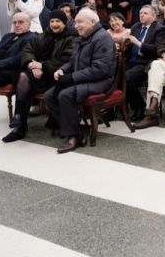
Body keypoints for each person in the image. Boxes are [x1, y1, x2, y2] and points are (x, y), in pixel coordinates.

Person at [44, 9, 115, 154]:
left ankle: (73, 136)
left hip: (101, 81)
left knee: (65, 95)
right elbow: (72, 61)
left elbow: (100, 70)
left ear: (92, 22)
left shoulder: (103, 38)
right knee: (49, 96)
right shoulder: (83, 37)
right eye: (75, 22)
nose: (75, 26)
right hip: (84, 78)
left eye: (79, 22)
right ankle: (77, 128)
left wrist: (71, 78)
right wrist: (62, 70)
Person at [3, 10, 75, 142]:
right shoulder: (42, 36)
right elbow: (27, 50)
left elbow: (67, 59)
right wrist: (32, 64)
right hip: (40, 74)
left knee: (25, 79)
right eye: (52, 21)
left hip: (57, 76)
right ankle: (20, 125)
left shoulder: (72, 37)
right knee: (23, 77)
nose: (54, 24)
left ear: (65, 23)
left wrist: (42, 66)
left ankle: (21, 123)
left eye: (58, 21)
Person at [123, 5, 165, 121]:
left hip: (146, 63)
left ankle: (139, 107)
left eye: (145, 13)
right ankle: (117, 109)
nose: (141, 15)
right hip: (130, 61)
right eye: (141, 13)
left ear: (153, 16)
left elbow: (157, 49)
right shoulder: (136, 26)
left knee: (127, 78)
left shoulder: (159, 29)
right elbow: (128, 46)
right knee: (111, 74)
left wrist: (138, 43)